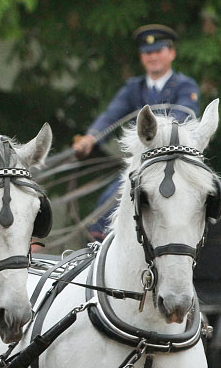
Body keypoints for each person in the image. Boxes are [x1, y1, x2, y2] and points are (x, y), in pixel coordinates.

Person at [72, 24, 200, 239]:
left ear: (171, 53)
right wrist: (91, 138)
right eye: (147, 53)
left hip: (175, 163)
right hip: (143, 164)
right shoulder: (134, 88)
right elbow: (112, 116)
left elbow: (185, 117)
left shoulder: (185, 86)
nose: (153, 57)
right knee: (104, 209)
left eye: (158, 51)